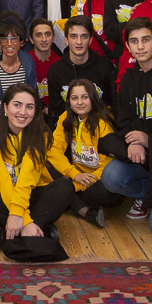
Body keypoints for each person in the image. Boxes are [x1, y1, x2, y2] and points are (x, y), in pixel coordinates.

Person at [0, 84, 75, 252]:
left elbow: (27, 176)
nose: (23, 112)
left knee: (65, 186)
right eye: (17, 105)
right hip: (5, 197)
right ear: (6, 107)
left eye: (29, 107)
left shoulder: (42, 136)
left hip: (32, 195)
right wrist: (25, 220)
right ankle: (36, 231)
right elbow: (3, 181)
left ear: (35, 111)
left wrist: (21, 216)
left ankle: (4, 235)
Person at [104, 18, 152, 229]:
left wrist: (149, 140)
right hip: (146, 158)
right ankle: (147, 194)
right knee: (111, 177)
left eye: (146, 40)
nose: (140, 46)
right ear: (127, 47)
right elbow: (124, 120)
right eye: (134, 41)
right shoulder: (128, 79)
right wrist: (135, 141)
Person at [49, 80, 125, 228]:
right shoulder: (66, 118)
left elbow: (108, 164)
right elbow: (53, 149)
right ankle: (84, 211)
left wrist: (74, 185)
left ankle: (67, 198)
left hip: (97, 181)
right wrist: (74, 174)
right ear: (68, 101)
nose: (79, 103)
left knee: (105, 192)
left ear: (93, 98)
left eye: (85, 97)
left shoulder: (103, 122)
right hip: (76, 176)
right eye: (74, 98)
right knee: (45, 167)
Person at [46, 16, 116, 125]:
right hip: (68, 127)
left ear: (90, 40)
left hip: (99, 127)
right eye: (73, 36)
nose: (79, 42)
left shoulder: (105, 68)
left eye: (84, 36)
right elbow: (56, 111)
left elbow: (111, 107)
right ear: (66, 40)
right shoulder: (55, 71)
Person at [0, 17, 36, 124]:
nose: (9, 43)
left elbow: (33, 92)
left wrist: (20, 109)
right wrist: (9, 109)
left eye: (14, 38)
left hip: (23, 110)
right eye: (4, 39)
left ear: (22, 41)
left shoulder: (28, 62)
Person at [28, 18, 61, 110]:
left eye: (48, 34)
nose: (44, 39)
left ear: (53, 38)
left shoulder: (61, 64)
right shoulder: (25, 63)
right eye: (38, 35)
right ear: (31, 39)